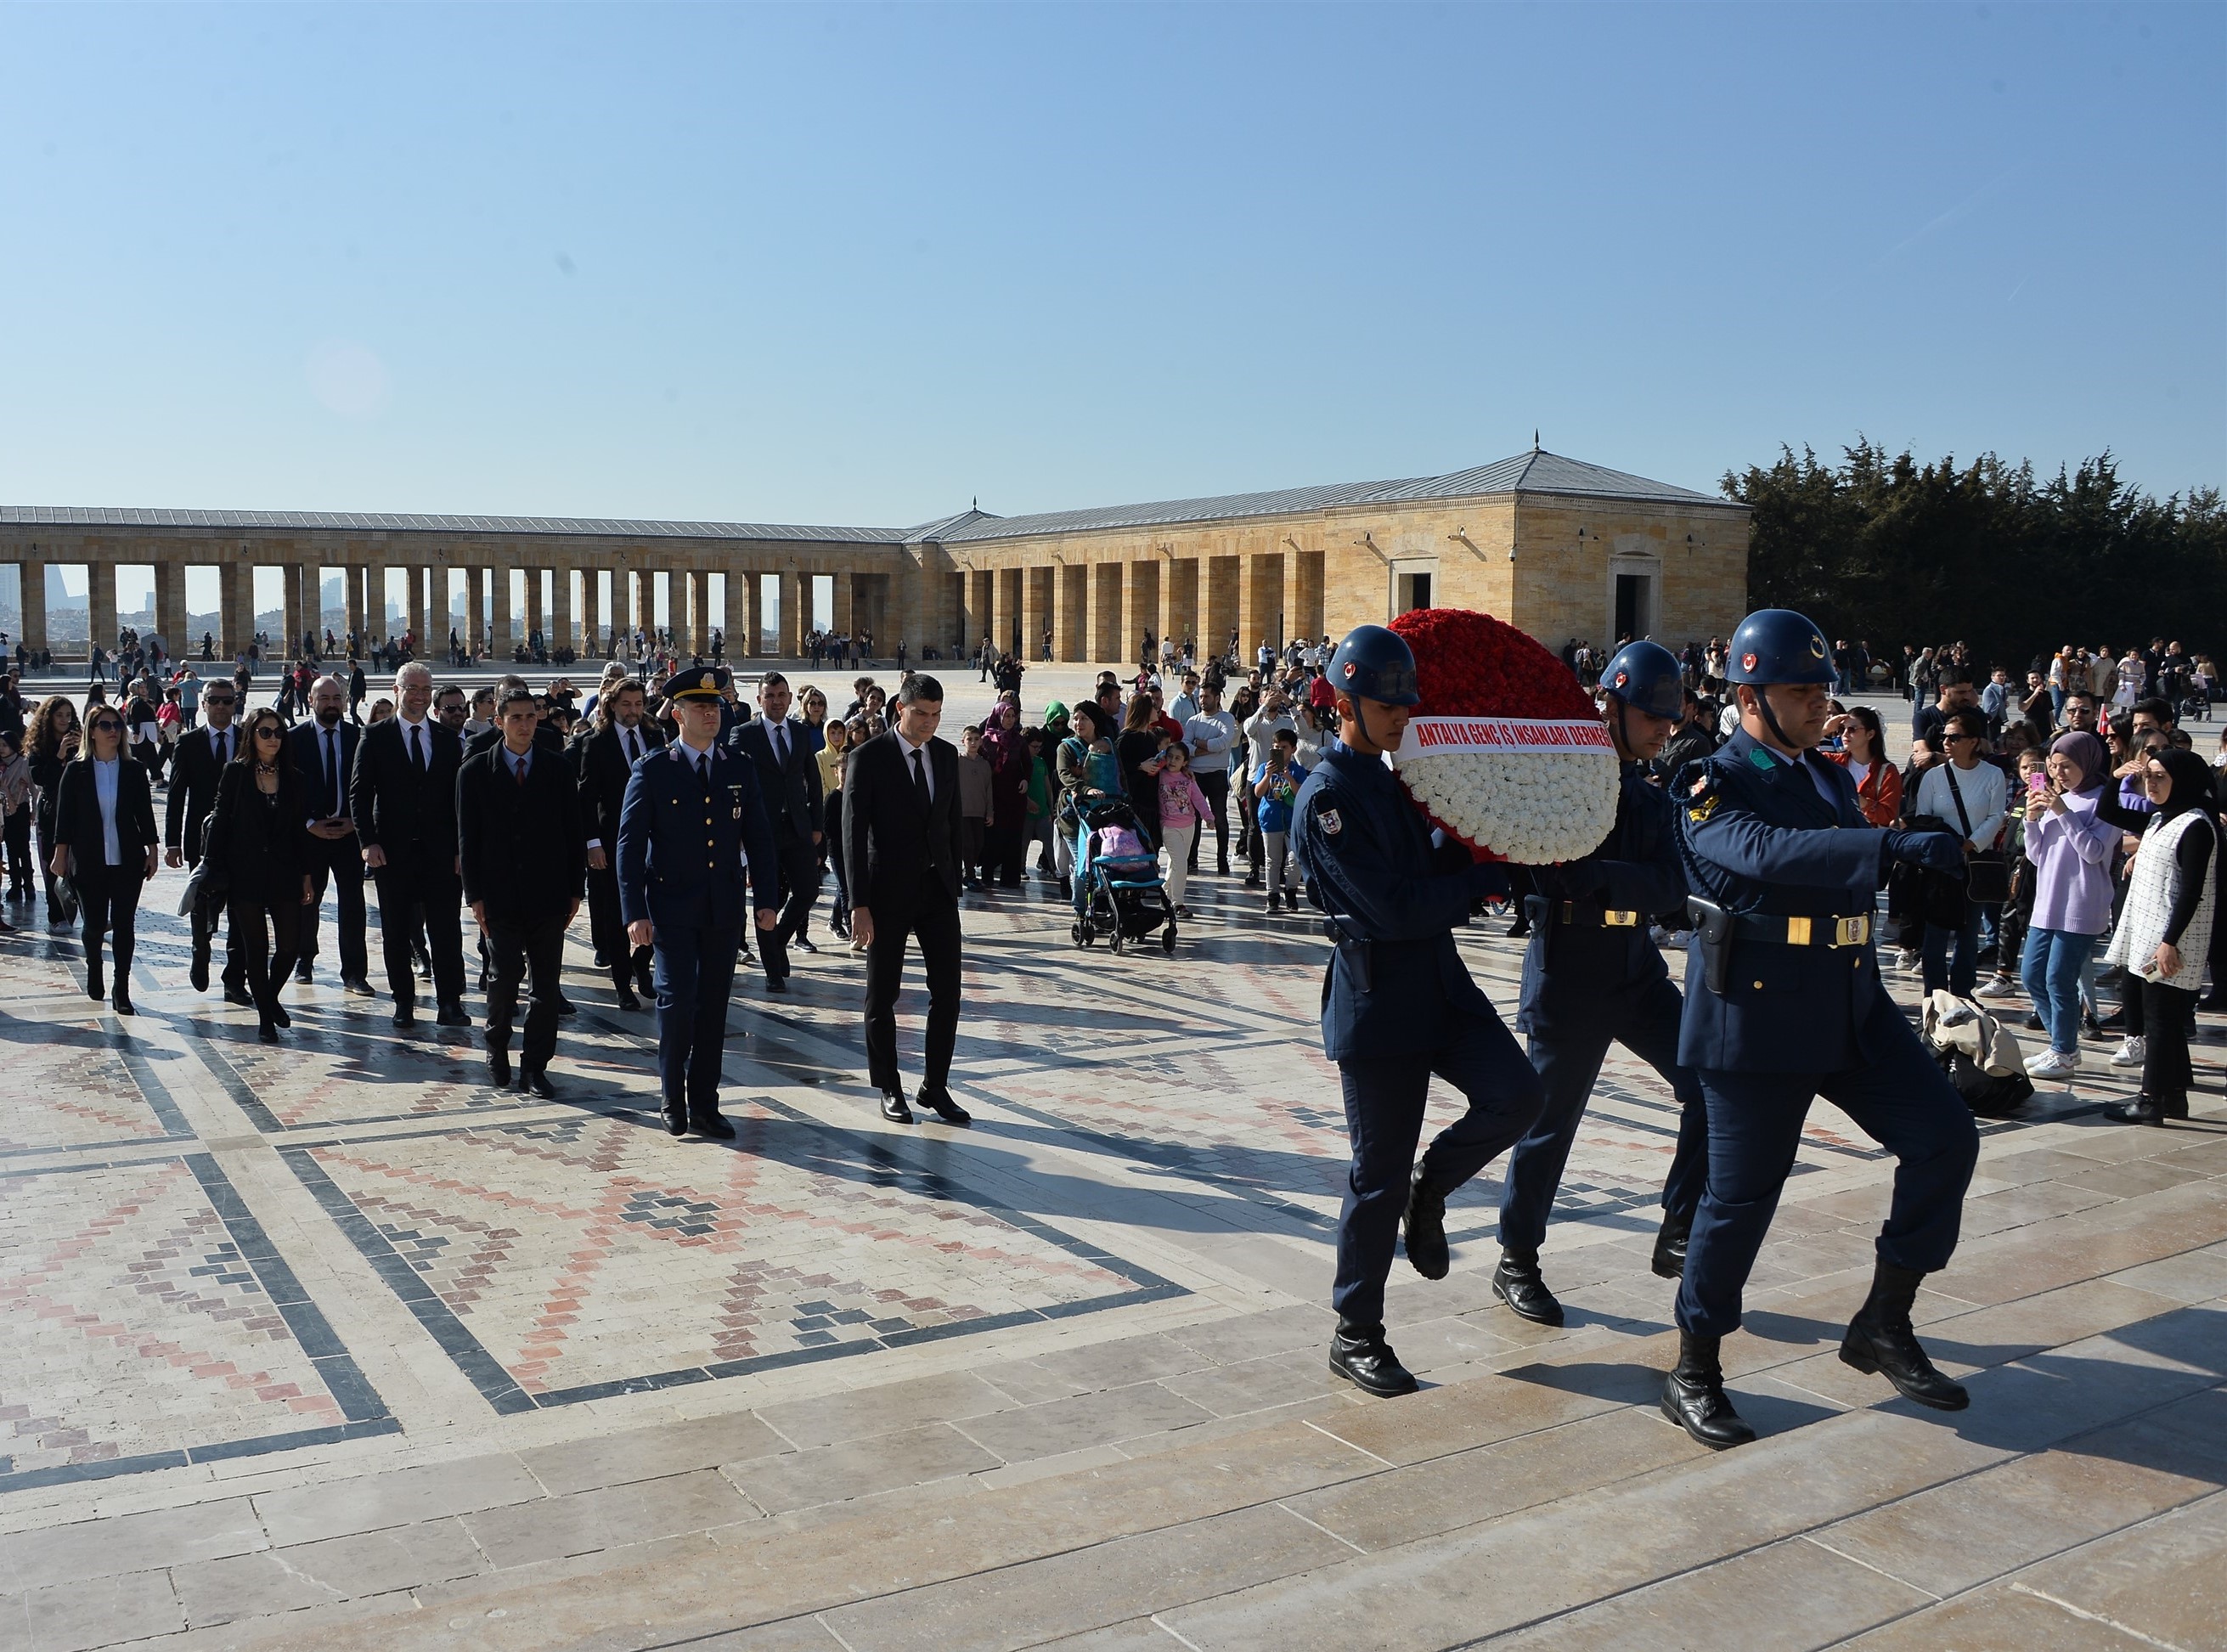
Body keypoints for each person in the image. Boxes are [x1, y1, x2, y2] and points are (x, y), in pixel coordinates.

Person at [1664, 608, 1978, 1449]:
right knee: (1739, 1201)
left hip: (1849, 1004)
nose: (1818, 702)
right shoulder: (1708, 780)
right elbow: (1761, 852)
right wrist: (1887, 849)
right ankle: (1694, 1368)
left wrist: (1913, 873)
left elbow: (1842, 866)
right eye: (1800, 689)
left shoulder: (1829, 777)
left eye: (1822, 688)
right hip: (1757, 1015)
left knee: (1946, 1137)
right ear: (1749, 697)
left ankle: (1884, 1321)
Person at [1288, 625, 1546, 1398]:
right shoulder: (1327, 798)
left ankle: (1431, 1186)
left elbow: (1426, 866)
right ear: (1344, 704)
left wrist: (1484, 841)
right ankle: (1355, 1332)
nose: (1402, 714)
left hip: (1440, 983)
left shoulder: (1392, 780)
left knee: (1519, 1095)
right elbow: (1392, 907)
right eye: (1386, 703)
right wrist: (1471, 883)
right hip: (1380, 1000)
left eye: (1406, 702)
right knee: (1377, 1177)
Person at [1491, 640, 1708, 1326]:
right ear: (1611, 707)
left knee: (1709, 1082)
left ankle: (1679, 1226)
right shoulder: (1560, 784)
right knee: (1549, 1126)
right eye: (1651, 716)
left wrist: (1606, 878)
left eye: (1669, 719)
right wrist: (1609, 881)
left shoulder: (1648, 796)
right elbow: (1549, 874)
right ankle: (1516, 1259)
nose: (1663, 730)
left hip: (1634, 969)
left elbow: (1671, 887)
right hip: (1570, 972)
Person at [617, 666, 779, 1138]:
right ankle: (672, 1096)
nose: (712, 714)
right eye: (701, 707)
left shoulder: (738, 766)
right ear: (678, 714)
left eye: (716, 706)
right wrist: (635, 913)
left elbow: (759, 837)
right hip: (671, 906)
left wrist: (767, 899)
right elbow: (630, 846)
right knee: (676, 1001)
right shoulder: (653, 769)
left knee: (713, 1006)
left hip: (722, 907)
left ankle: (705, 1103)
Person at [843, 673, 970, 1127]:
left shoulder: (945, 755)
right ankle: (889, 1086)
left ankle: (935, 1085)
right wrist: (858, 904)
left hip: (936, 890)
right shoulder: (868, 757)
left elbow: (952, 820)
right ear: (900, 708)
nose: (928, 723)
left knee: (948, 993)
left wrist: (956, 879)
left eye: (936, 715)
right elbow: (853, 834)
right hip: (886, 893)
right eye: (921, 714)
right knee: (883, 995)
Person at [459, 687, 584, 1097]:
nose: (525, 725)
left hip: (548, 892)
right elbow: (468, 839)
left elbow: (572, 831)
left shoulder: (557, 768)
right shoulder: (475, 771)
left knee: (545, 987)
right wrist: (474, 895)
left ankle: (535, 1066)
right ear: (499, 722)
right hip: (500, 894)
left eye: (531, 716)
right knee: (504, 977)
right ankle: (497, 1047)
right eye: (515, 717)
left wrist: (575, 889)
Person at [2095, 747, 2217, 1125]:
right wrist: (2116, 778)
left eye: (2161, 776)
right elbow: (2108, 812)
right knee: (2165, 1019)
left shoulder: (2196, 826)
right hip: (2150, 933)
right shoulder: (2161, 816)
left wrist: (2169, 943)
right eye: (2148, 775)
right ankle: (2174, 1096)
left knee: (2161, 1020)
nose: (2151, 782)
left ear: (2183, 781)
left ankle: (2150, 1100)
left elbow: (2192, 891)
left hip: (2171, 939)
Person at [351, 662, 470, 1028]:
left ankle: (450, 1002)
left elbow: (459, 799)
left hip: (440, 851)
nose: (419, 696)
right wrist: (367, 842)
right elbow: (359, 793)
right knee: (396, 930)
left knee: (446, 929)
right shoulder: (375, 735)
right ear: (396, 690)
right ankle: (403, 1001)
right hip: (393, 850)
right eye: (412, 688)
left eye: (425, 689)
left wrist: (460, 849)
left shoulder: (447, 738)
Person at [203, 708, 315, 1040]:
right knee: (255, 948)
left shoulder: (295, 777)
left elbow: (299, 830)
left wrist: (307, 874)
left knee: (290, 947)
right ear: (251, 736)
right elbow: (220, 819)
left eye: (278, 732)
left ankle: (269, 997)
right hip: (245, 871)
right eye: (265, 732)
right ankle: (266, 1019)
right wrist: (210, 864)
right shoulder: (236, 772)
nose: (273, 739)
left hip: (284, 871)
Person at [2016, 731, 2120, 1079]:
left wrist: (2062, 812)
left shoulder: (2104, 801)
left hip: (2081, 904)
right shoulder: (2055, 798)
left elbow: (2094, 852)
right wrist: (2032, 819)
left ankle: (2063, 1049)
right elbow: (2037, 856)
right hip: (2047, 901)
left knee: (2059, 978)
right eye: (2054, 766)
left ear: (2087, 764)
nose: (2059, 773)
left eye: (2067, 766)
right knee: (2032, 975)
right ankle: (2063, 1044)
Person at [49, 702, 159, 1011]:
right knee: (95, 924)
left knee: (124, 924)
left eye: (117, 725)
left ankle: (121, 987)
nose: (113, 731)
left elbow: (145, 813)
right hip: (89, 858)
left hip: (128, 859)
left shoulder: (134, 769)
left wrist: (153, 850)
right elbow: (64, 817)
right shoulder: (76, 770)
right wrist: (60, 855)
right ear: (92, 732)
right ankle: (95, 966)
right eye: (106, 726)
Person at [728, 671, 824, 991]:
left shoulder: (799, 732)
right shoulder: (744, 734)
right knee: (766, 901)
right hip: (760, 829)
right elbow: (734, 785)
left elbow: (813, 781)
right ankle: (773, 972)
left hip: (796, 826)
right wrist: (737, 829)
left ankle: (779, 939)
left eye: (781, 695)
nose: (776, 701)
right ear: (759, 700)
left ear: (790, 698)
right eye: (769, 696)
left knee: (808, 891)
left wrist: (817, 825)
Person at [578, 676, 664, 1007]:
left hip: (655, 840)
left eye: (638, 704)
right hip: (613, 839)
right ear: (612, 705)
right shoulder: (596, 742)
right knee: (617, 913)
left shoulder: (655, 736)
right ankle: (622, 985)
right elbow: (587, 797)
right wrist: (592, 843)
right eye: (626, 704)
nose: (633, 711)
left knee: (657, 907)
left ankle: (642, 963)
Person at [288, 675, 372, 994]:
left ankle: (354, 972)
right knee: (308, 899)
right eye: (324, 698)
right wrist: (310, 823)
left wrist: (355, 823)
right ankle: (304, 961)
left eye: (337, 698)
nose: (331, 704)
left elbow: (370, 786)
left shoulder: (358, 737)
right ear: (311, 701)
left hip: (349, 833)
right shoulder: (294, 739)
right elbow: (288, 790)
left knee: (353, 903)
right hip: (311, 833)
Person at [165, 681, 247, 1002]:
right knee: (202, 904)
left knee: (241, 912)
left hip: (243, 840)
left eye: (227, 700)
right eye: (214, 700)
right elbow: (175, 796)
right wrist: (172, 843)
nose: (221, 706)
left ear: (235, 703)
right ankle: (201, 949)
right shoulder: (188, 742)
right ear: (203, 705)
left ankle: (234, 979)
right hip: (201, 841)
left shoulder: (248, 738)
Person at [26, 696, 81, 927]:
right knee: (53, 865)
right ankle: (57, 916)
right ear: (49, 718)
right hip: (51, 812)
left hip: (79, 811)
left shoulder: (80, 742)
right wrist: (59, 756)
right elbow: (39, 778)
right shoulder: (39, 746)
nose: (64, 720)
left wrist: (83, 749)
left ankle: (89, 913)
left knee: (83, 865)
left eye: (68, 715)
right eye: (59, 715)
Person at [1181, 683, 1238, 877]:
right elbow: (1185, 747)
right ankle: (1192, 859)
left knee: (1220, 818)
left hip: (1217, 775)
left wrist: (1198, 745)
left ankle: (1222, 860)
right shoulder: (1193, 721)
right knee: (1194, 819)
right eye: (1201, 697)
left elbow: (1223, 743)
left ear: (1217, 698)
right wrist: (1206, 749)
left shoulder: (1226, 718)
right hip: (1195, 776)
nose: (1202, 700)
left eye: (1206, 696)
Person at [1154, 740, 1210, 919]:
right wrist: (1162, 758)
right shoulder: (1159, 775)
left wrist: (1208, 816)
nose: (1172, 761)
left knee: (1177, 863)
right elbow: (1154, 763)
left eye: (1177, 758)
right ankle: (1178, 903)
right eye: (1170, 756)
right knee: (1181, 864)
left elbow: (1198, 798)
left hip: (1189, 825)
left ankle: (1165, 894)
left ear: (1185, 762)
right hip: (1169, 826)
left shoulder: (1188, 778)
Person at [1252, 728, 1305, 912]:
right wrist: (1268, 775)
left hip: (1292, 821)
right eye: (1276, 747)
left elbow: (1301, 794)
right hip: (1270, 818)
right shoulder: (1264, 768)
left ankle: (1291, 890)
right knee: (1272, 860)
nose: (1280, 751)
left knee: (1295, 857)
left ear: (1293, 749)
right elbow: (1258, 792)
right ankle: (1272, 896)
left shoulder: (1298, 770)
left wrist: (1290, 778)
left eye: (1284, 747)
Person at [1826, 706, 1901, 826]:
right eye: (1841, 729)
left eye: (1852, 729)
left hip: (1867, 835)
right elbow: (1801, 753)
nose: (1845, 734)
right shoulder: (1833, 762)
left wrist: (1862, 802)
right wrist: (1825, 730)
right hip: (1836, 833)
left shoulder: (1887, 772)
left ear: (1870, 734)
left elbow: (1888, 816)